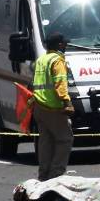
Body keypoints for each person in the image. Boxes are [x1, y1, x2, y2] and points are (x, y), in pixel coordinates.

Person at [33, 32, 75, 180]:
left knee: (46, 141)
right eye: (65, 43)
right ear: (59, 45)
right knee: (65, 139)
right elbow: (60, 83)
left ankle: (44, 174)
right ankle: (56, 174)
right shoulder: (57, 61)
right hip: (53, 107)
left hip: (39, 105)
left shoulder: (42, 59)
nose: (66, 45)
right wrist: (67, 102)